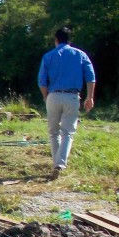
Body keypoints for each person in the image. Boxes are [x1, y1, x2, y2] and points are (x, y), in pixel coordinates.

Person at [38, 26, 96, 179]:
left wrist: (46, 97)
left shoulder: (48, 56)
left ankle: (56, 162)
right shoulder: (80, 54)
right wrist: (90, 97)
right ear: (70, 40)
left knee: (53, 132)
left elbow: (42, 81)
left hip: (53, 95)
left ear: (56, 40)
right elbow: (90, 76)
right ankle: (60, 164)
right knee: (68, 132)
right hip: (72, 96)